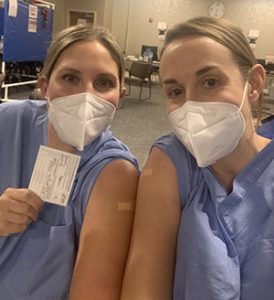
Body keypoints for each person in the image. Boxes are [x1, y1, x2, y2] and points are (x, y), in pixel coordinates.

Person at [121, 16, 273, 300]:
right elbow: (143, 287)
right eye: (176, 91)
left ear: (252, 84)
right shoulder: (171, 162)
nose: (191, 104)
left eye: (210, 81)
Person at [0, 24, 139, 300]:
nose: (86, 96)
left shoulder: (114, 171)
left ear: (120, 95)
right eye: (70, 78)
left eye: (104, 83)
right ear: (44, 86)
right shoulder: (7, 122)